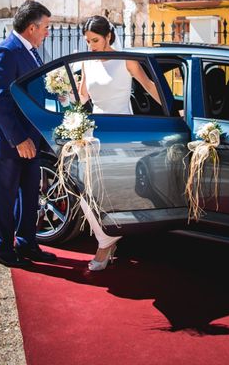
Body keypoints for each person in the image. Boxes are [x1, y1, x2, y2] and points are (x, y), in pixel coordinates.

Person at [77, 15, 161, 271]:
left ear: (109, 36)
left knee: (117, 193)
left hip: (123, 132)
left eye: (95, 40)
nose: (91, 45)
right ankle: (107, 239)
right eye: (88, 41)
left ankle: (106, 244)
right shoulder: (86, 62)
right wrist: (62, 97)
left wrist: (176, 112)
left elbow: (149, 86)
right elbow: (82, 97)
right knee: (84, 191)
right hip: (94, 132)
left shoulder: (126, 59)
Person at [0, 0, 57, 268]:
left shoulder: (33, 52)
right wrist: (18, 139)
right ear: (32, 27)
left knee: (29, 195)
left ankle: (26, 242)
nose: (48, 32)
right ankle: (1, 248)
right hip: (8, 141)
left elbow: (35, 91)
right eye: (46, 27)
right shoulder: (6, 52)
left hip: (30, 139)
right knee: (4, 197)